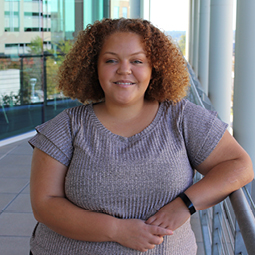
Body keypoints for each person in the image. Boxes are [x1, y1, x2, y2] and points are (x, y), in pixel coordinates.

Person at [29, 18, 254, 255]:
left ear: (154, 68)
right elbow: (44, 205)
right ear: (93, 67)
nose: (124, 69)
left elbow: (240, 165)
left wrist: (185, 205)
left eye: (137, 61)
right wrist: (116, 230)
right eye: (111, 60)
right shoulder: (66, 126)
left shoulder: (182, 118)